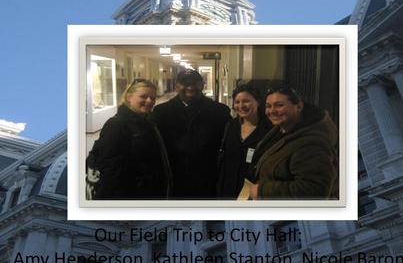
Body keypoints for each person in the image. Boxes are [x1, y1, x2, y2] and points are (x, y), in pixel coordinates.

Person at [248, 85, 338, 200]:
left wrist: (263, 191)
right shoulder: (282, 129)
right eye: (268, 106)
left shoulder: (312, 144)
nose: (272, 111)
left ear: (299, 106)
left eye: (279, 105)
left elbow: (314, 190)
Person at [87, 79, 172, 200]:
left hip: (149, 190)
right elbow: (110, 170)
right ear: (128, 97)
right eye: (143, 96)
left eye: (152, 98)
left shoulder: (148, 121)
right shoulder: (116, 125)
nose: (149, 101)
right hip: (132, 194)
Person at [153, 69, 231, 199]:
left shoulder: (219, 111)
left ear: (202, 85)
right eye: (185, 83)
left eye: (195, 83)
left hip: (208, 176)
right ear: (177, 87)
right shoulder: (162, 112)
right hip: (174, 176)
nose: (190, 87)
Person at [216, 84, 272, 199]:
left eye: (246, 101)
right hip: (227, 189)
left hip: (253, 191)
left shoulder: (269, 129)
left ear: (258, 102)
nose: (241, 106)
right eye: (237, 102)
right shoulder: (231, 125)